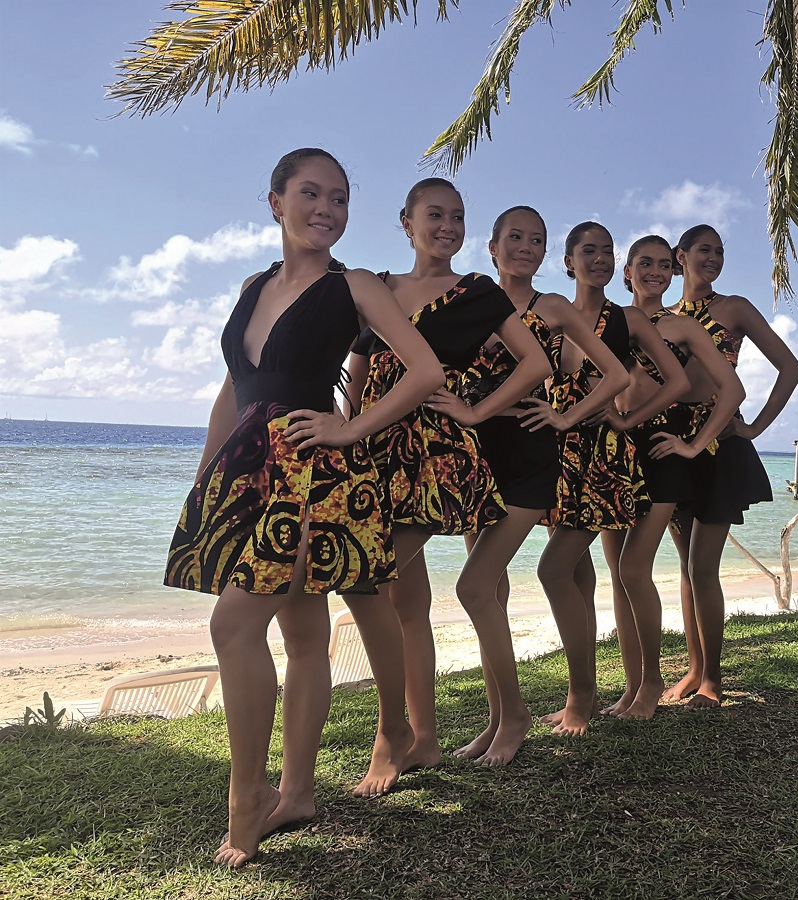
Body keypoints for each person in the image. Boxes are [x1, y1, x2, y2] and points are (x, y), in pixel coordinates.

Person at [164, 148, 444, 867]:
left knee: (233, 624)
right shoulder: (255, 284)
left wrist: (350, 426)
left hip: (313, 477)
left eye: (341, 198)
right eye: (312, 193)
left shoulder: (353, 286)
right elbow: (235, 388)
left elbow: (425, 370)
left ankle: (247, 797)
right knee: (305, 636)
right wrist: (207, 477)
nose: (327, 208)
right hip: (250, 474)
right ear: (276, 202)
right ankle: (297, 790)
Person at [342, 178, 549, 794]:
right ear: (405, 220)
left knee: (374, 580)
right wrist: (347, 429)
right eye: (436, 215)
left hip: (434, 457)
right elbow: (358, 364)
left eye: (458, 217)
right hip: (372, 452)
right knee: (406, 604)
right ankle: (423, 738)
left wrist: (477, 411)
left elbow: (535, 362)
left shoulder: (477, 292)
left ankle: (402, 735)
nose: (448, 227)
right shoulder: (376, 289)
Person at [440, 205, 629, 765]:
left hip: (527, 453)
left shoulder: (551, 307)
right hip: (475, 457)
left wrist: (567, 418)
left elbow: (615, 376)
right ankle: (497, 720)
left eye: (537, 239)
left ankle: (532, 712)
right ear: (492, 247)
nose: (525, 246)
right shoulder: (471, 299)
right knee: (489, 593)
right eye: (514, 237)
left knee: (475, 586)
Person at [525, 221, 688, 736]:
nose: (598, 259)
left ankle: (627, 686)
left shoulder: (629, 318)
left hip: (604, 458)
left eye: (606, 252)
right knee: (579, 574)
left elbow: (678, 382)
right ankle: (589, 690)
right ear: (568, 260)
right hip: (555, 454)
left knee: (578, 571)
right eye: (588, 251)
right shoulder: (550, 315)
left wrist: (625, 421)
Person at [599, 235, 744, 720]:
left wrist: (695, 443)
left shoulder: (682, 326)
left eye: (665, 264)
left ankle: (653, 683)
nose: (656, 272)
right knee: (620, 579)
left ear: (675, 271)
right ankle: (632, 685)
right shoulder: (609, 320)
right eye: (646, 263)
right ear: (628, 269)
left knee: (634, 571)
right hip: (615, 454)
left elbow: (732, 390)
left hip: (664, 451)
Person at [663, 223, 798, 709]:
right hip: (673, 444)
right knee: (684, 568)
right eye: (704, 250)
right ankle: (694, 669)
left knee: (703, 567)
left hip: (721, 444)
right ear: (680, 256)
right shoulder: (664, 315)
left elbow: (791, 368)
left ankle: (713, 681)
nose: (714, 259)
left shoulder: (734, 308)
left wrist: (756, 427)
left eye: (720, 252)